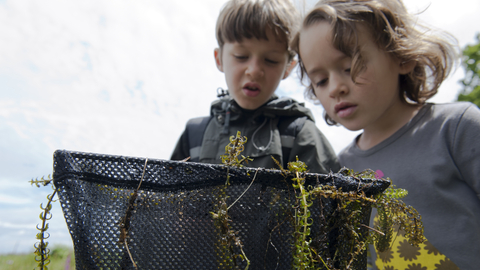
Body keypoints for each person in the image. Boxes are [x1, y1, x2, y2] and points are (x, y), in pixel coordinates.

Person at [291, 0, 480, 269]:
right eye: (320, 80)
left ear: (400, 56)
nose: (335, 88)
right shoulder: (339, 171)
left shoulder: (456, 128)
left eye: (349, 67)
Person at [171, 0, 340, 174]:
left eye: (271, 60)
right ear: (219, 59)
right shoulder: (194, 135)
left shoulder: (299, 134)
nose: (254, 71)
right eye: (241, 56)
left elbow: (328, 198)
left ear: (288, 67)